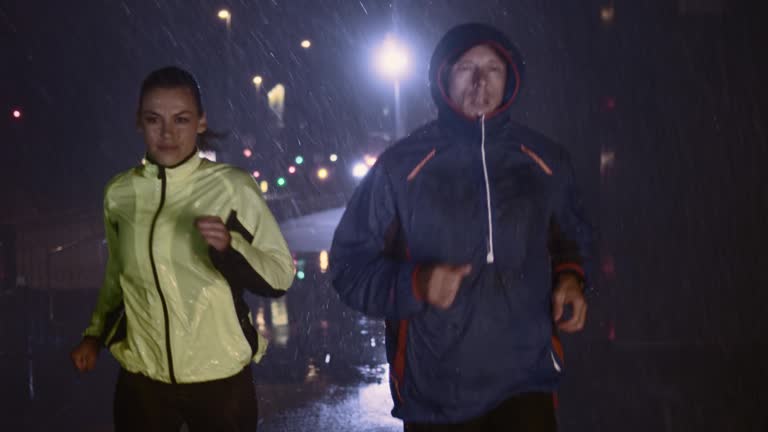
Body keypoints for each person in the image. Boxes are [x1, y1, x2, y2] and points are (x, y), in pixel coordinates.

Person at [330, 23, 593, 431]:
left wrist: (572, 278)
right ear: (443, 78)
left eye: (493, 69)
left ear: (510, 81)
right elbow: (349, 268)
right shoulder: (400, 167)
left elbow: (572, 238)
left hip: (527, 381)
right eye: (466, 68)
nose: (479, 81)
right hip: (436, 393)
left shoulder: (545, 160)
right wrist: (416, 284)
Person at [69, 66, 295, 431]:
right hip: (142, 379)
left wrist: (229, 246)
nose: (168, 133)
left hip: (220, 379)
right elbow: (119, 275)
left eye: (181, 119)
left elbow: (280, 274)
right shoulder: (120, 193)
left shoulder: (232, 187)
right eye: (154, 119)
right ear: (139, 122)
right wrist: (94, 335)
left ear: (201, 123)